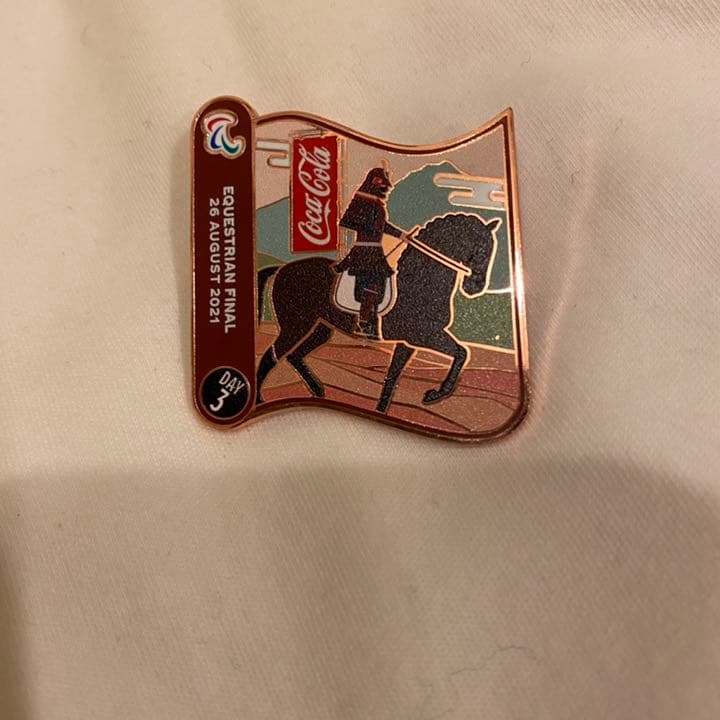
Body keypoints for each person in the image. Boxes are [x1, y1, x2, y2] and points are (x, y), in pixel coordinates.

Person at [334, 166, 405, 339]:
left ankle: (371, 324)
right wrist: (369, 228)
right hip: (365, 251)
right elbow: (352, 223)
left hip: (374, 250)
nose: (386, 188)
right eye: (382, 184)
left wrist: (401, 235)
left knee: (378, 286)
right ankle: (363, 322)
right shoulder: (364, 203)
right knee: (372, 286)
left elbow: (382, 226)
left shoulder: (376, 205)